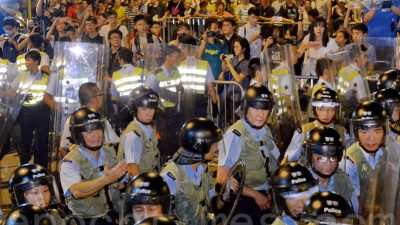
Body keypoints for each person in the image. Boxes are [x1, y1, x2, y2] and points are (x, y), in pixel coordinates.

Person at [218, 84, 280, 225]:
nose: (261, 114)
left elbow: (273, 162)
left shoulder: (266, 131)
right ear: (245, 108)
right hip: (243, 199)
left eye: (265, 109)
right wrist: (256, 195)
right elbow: (222, 178)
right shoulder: (235, 134)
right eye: (256, 108)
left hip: (266, 197)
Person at [60, 107, 127, 225]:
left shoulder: (109, 152)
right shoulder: (70, 162)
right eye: (89, 131)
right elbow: (77, 191)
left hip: (114, 216)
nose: (96, 135)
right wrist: (106, 179)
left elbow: (120, 185)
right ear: (78, 135)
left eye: (98, 130)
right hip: (87, 220)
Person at [161, 118, 223, 224]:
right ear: (200, 146)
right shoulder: (170, 177)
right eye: (214, 144)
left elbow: (213, 206)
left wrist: (226, 195)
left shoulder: (203, 170)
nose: (216, 148)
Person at [341, 101, 388, 218]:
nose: (371, 138)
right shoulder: (349, 161)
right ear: (356, 133)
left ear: (384, 132)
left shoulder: (387, 154)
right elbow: (357, 207)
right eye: (364, 131)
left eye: (377, 131)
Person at [14, 50, 57, 168]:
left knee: (42, 140)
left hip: (42, 111)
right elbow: (12, 92)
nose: (26, 63)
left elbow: (51, 94)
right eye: (25, 60)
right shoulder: (22, 76)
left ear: (36, 62)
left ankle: (41, 168)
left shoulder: (46, 76)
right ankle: (25, 167)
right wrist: (20, 96)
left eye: (28, 60)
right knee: (25, 140)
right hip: (26, 112)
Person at [303, 127, 359, 213]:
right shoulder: (303, 182)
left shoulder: (342, 178)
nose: (328, 164)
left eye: (333, 157)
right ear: (310, 157)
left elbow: (354, 212)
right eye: (321, 158)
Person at [285, 87, 346, 162]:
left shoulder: (342, 132)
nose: (326, 113)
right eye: (322, 109)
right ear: (316, 110)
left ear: (335, 111)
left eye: (331, 109)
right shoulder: (303, 132)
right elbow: (289, 159)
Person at [59, 82, 119, 157]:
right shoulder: (99, 119)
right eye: (100, 94)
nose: (102, 97)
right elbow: (115, 143)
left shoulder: (71, 119)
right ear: (93, 100)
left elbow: (62, 149)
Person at [117, 86, 161, 178]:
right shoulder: (133, 136)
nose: (149, 113)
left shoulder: (147, 128)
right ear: (135, 109)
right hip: (141, 187)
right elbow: (133, 173)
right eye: (144, 109)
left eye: (152, 109)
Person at [8, 163, 73, 224]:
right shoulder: (14, 221)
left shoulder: (59, 215)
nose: (42, 197)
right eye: (35, 192)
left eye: (46, 190)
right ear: (20, 197)